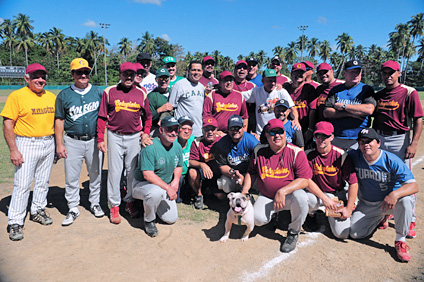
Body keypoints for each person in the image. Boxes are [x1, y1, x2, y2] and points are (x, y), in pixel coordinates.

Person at [347, 127, 418, 262]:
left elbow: (413, 186)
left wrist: (394, 194)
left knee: (405, 201)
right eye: (362, 142)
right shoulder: (354, 156)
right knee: (356, 233)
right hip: (368, 204)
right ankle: (381, 218)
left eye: (369, 141)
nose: (365, 144)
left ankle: (400, 240)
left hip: (389, 202)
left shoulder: (391, 159)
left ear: (378, 143)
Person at [1, 63, 56, 241]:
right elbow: (8, 123)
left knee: (42, 181)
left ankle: (37, 210)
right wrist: (13, 150)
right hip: (26, 143)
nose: (40, 80)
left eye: (42, 77)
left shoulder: (51, 97)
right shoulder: (17, 96)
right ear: (27, 78)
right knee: (23, 184)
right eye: (36, 76)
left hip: (48, 142)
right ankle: (15, 221)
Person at [241, 119, 312, 253]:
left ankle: (293, 232)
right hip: (267, 196)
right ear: (267, 136)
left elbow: (304, 180)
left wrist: (283, 191)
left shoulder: (296, 152)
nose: (277, 135)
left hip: (289, 196)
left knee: (302, 198)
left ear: (285, 134)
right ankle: (276, 216)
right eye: (273, 133)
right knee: (256, 219)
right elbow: (251, 172)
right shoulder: (259, 151)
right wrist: (245, 191)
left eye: (280, 132)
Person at [372, 60, 423, 238]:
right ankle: (386, 214)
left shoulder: (409, 92)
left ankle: (411, 219)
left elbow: (418, 120)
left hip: (399, 139)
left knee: (404, 178)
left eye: (391, 72)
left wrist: (414, 142)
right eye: (385, 73)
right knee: (383, 176)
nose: (388, 76)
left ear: (398, 73)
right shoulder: (379, 95)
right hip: (379, 138)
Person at [97, 62, 152, 224]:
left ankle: (129, 201)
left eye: (131, 74)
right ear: (120, 75)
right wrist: (101, 138)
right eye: (125, 74)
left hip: (134, 137)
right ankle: (114, 206)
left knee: (131, 171)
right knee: (114, 172)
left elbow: (148, 117)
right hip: (114, 135)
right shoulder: (110, 91)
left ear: (135, 76)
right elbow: (102, 117)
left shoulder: (142, 93)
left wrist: (146, 133)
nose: (128, 77)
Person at [55, 58, 104, 226]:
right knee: (71, 176)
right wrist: (59, 144)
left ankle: (95, 203)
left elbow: (105, 118)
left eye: (86, 72)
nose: (83, 75)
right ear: (72, 74)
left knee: (95, 174)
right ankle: (73, 207)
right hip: (72, 141)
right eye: (79, 72)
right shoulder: (64, 95)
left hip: (94, 141)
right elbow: (60, 120)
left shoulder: (98, 92)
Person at [132, 116, 183, 237]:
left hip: (163, 187)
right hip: (142, 184)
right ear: (161, 130)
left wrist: (175, 181)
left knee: (171, 219)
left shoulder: (177, 146)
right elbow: (148, 175)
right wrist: (168, 188)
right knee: (155, 193)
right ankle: (149, 220)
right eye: (169, 129)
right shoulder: (150, 147)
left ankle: (151, 206)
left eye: (176, 129)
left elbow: (179, 166)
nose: (173, 133)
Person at [305, 121, 358, 236]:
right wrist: (324, 198)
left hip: (336, 195)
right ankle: (311, 215)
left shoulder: (341, 155)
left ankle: (331, 214)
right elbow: (306, 181)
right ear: (314, 137)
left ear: (332, 137)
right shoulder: (309, 155)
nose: (321, 139)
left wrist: (348, 208)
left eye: (325, 136)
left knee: (341, 234)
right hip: (317, 194)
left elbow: (353, 183)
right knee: (302, 198)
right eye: (318, 136)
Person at [323, 60, 375, 151]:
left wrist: (344, 106)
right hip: (337, 137)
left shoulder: (366, 89)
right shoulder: (336, 90)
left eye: (358, 72)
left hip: (358, 138)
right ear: (344, 73)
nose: (355, 75)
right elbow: (327, 112)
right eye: (352, 72)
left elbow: (369, 109)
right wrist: (350, 114)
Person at [214, 115, 259, 198]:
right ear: (228, 129)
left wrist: (247, 179)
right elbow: (222, 166)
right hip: (234, 175)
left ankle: (252, 195)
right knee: (224, 181)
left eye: (238, 128)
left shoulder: (252, 142)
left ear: (243, 127)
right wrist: (234, 174)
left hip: (250, 174)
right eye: (232, 128)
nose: (235, 131)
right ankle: (233, 197)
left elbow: (259, 164)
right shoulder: (222, 144)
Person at [243, 69, 299, 135]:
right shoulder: (256, 91)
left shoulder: (281, 91)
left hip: (277, 133)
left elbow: (292, 109)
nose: (272, 83)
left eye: (274, 80)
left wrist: (296, 120)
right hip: (261, 134)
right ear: (263, 81)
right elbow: (239, 96)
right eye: (269, 81)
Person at [188, 118, 222, 209]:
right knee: (192, 173)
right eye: (207, 129)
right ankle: (199, 195)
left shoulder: (222, 141)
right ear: (202, 130)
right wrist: (202, 165)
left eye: (213, 129)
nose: (210, 132)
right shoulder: (197, 142)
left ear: (217, 130)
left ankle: (209, 191)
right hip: (202, 173)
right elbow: (190, 161)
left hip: (217, 173)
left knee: (220, 197)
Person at [203, 70, 248, 135]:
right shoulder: (212, 95)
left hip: (235, 134)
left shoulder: (239, 96)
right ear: (220, 83)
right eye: (226, 81)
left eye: (231, 80)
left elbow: (244, 117)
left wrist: (243, 133)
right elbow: (206, 117)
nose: (229, 83)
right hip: (217, 135)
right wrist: (215, 132)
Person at [169, 60, 205, 137]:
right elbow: (171, 107)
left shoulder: (202, 87)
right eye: (193, 70)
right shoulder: (179, 85)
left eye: (199, 70)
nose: (196, 73)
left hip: (198, 131)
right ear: (188, 71)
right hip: (183, 131)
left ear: (202, 72)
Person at [283, 63, 317, 142]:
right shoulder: (286, 88)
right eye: (296, 72)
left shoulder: (309, 88)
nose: (299, 75)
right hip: (289, 126)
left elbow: (313, 110)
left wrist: (310, 129)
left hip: (305, 127)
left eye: (301, 73)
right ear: (291, 74)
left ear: (305, 74)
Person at [233, 60, 257, 134]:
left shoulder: (252, 86)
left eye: (244, 68)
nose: (242, 69)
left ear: (247, 71)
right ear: (235, 70)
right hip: (234, 116)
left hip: (250, 119)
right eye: (239, 67)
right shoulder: (230, 84)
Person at [147, 68, 173, 134]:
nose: (163, 81)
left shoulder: (173, 92)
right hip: (157, 129)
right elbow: (147, 117)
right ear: (156, 80)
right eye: (160, 79)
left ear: (169, 79)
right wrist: (160, 110)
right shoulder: (152, 96)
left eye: (166, 78)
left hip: (173, 129)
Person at [176, 116, 195, 203]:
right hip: (176, 176)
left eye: (189, 129)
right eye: (184, 128)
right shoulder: (172, 141)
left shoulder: (194, 140)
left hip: (188, 176)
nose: (187, 131)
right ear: (178, 129)